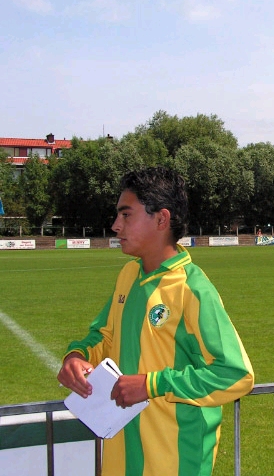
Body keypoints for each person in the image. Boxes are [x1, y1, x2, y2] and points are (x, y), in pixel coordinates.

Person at [57, 166, 254, 476]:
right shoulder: (129, 275)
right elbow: (104, 336)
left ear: (161, 219)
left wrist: (152, 384)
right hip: (121, 455)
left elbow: (235, 374)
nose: (115, 226)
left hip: (176, 462)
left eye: (126, 215)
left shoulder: (192, 289)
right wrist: (77, 356)